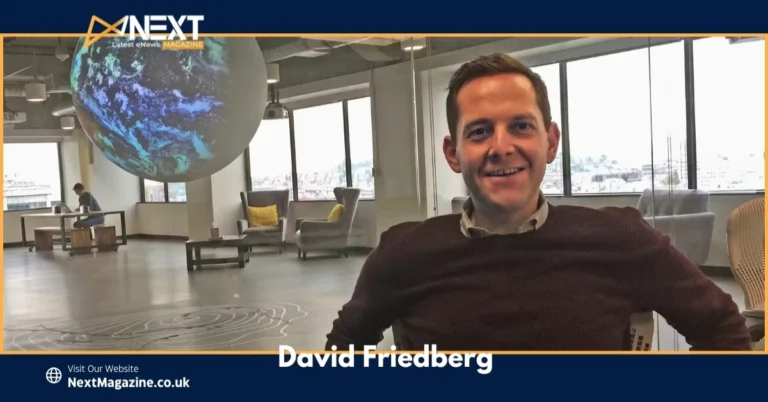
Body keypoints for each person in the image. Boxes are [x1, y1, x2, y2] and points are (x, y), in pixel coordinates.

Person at [324, 53, 751, 351]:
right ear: (453, 154)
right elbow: (342, 349)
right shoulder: (403, 254)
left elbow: (724, 332)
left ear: (550, 142)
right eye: (479, 132)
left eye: (521, 126)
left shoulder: (621, 239)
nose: (501, 146)